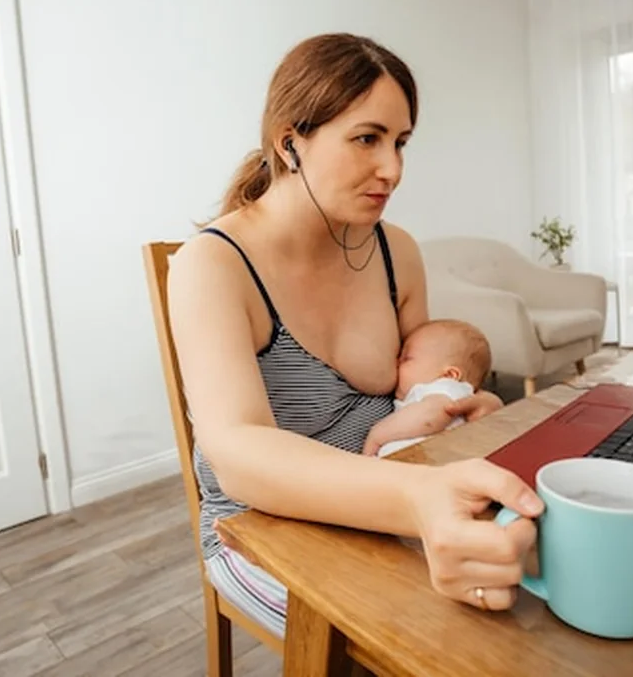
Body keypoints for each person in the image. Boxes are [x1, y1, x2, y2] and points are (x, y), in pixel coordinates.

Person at [167, 32, 542, 639]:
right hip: (263, 527)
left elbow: (420, 385)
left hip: (394, 495)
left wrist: (467, 406)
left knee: (522, 588)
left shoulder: (397, 251)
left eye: (401, 142)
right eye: (367, 138)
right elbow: (237, 454)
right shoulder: (213, 265)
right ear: (291, 143)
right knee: (438, 637)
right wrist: (417, 498)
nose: (391, 169)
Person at [363, 318, 492, 458]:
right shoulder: (435, 390)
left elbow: (431, 416)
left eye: (406, 358)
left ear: (450, 374)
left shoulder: (446, 388)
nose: (396, 363)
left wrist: (377, 435)